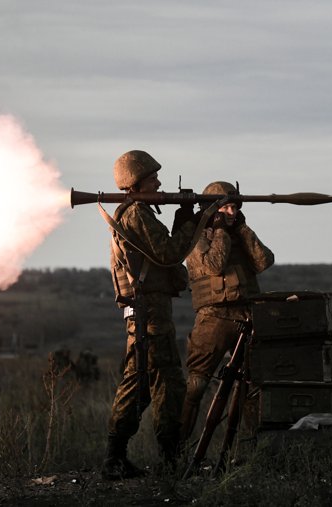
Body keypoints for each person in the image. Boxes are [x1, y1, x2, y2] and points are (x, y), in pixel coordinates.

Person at [102, 149, 203, 480]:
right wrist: (188, 220)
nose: (159, 183)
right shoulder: (137, 215)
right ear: (136, 183)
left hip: (150, 313)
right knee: (165, 384)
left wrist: (183, 217)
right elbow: (170, 253)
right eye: (153, 179)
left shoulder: (136, 213)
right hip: (149, 316)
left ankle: (123, 458)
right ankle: (165, 462)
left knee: (147, 386)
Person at [179, 181, 275, 451]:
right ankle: (174, 453)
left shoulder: (238, 233)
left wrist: (242, 229)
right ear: (213, 210)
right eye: (227, 207)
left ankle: (250, 452)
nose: (232, 212)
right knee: (196, 386)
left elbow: (264, 261)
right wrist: (220, 230)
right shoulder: (197, 234)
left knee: (252, 386)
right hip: (213, 318)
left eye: (236, 207)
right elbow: (214, 264)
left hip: (247, 315)